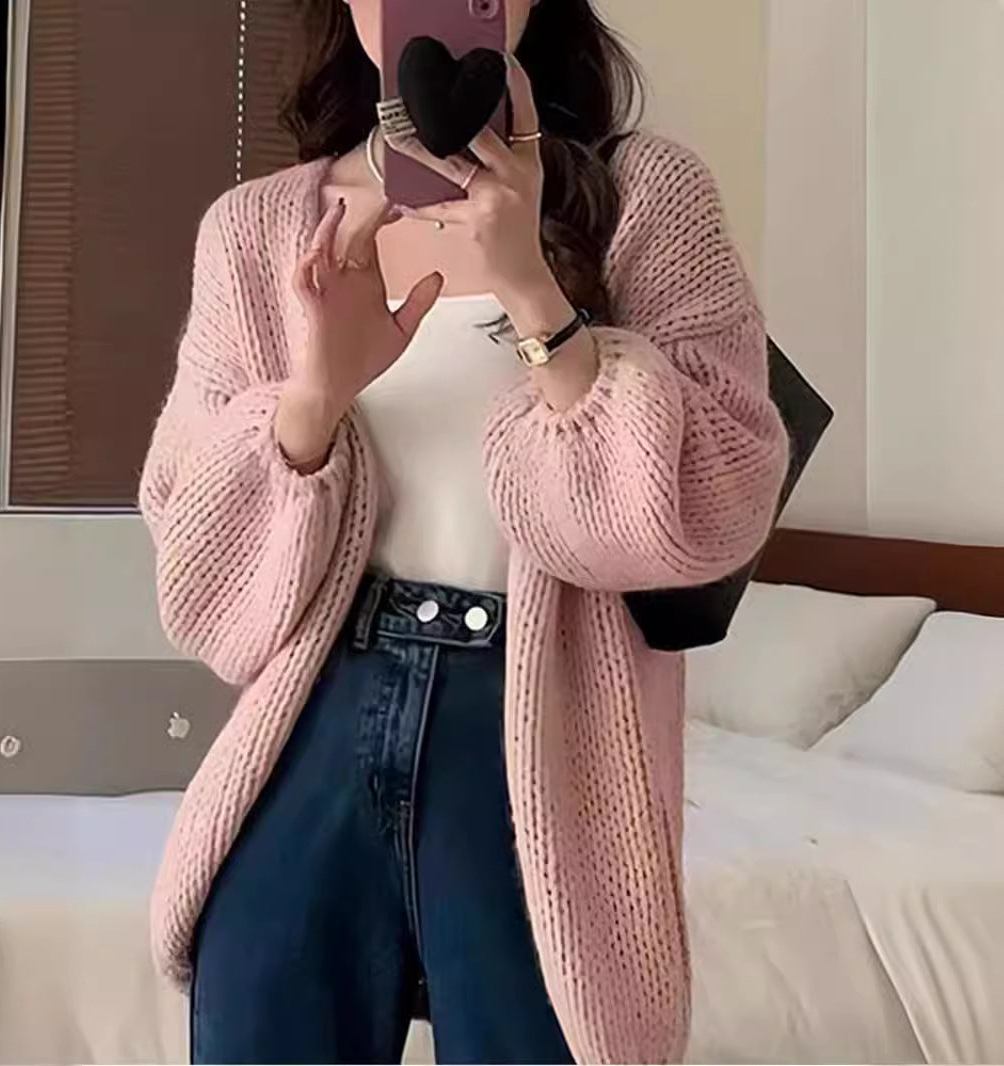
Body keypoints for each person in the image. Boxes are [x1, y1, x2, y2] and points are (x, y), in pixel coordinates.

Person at [140, 0, 788, 1062]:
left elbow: (718, 507)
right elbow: (204, 591)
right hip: (306, 735)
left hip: (550, 747)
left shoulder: (644, 196)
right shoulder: (255, 232)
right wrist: (312, 401)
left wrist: (536, 294)